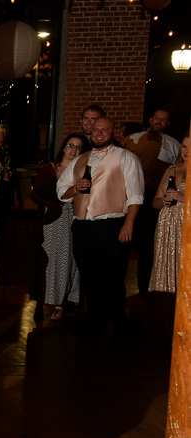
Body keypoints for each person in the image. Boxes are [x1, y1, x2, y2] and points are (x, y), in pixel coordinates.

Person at [56, 117, 144, 335]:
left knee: (113, 278)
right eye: (96, 130)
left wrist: (128, 224)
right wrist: (75, 189)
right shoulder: (79, 160)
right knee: (89, 277)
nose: (99, 134)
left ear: (113, 132)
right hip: (83, 227)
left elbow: (135, 195)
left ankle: (119, 323)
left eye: (104, 130)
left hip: (112, 225)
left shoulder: (126, 157)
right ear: (90, 132)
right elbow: (61, 192)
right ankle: (94, 321)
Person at [123, 109, 181, 295]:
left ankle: (144, 290)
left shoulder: (174, 145)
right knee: (122, 244)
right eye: (157, 118)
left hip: (152, 201)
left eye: (164, 120)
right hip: (127, 197)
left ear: (168, 124)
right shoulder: (132, 139)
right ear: (150, 119)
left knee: (147, 246)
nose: (159, 122)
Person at [30, 134, 87, 321]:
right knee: (44, 260)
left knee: (65, 261)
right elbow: (34, 195)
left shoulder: (81, 171)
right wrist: (47, 201)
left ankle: (61, 304)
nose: (74, 150)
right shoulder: (49, 168)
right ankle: (39, 302)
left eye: (78, 147)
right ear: (64, 147)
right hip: (47, 218)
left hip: (69, 218)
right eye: (71, 145)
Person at [149, 135, 188, 337]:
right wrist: (162, 200)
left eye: (190, 147)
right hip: (166, 225)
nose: (186, 151)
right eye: (183, 146)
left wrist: (182, 198)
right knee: (165, 270)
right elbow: (155, 202)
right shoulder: (171, 170)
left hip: (186, 225)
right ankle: (165, 326)